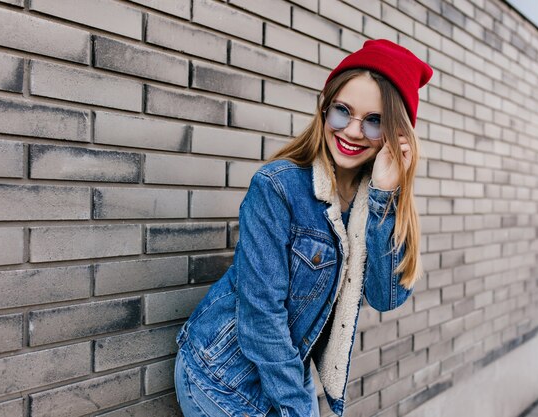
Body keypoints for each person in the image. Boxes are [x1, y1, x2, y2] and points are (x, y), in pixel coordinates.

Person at [174, 39, 433, 417]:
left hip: (283, 375)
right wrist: (299, 409)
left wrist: (383, 196)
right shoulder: (278, 187)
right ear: (324, 110)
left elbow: (386, 296)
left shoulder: (370, 204)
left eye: (375, 121)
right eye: (342, 112)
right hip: (220, 373)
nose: (353, 131)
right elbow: (262, 314)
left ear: (397, 136)